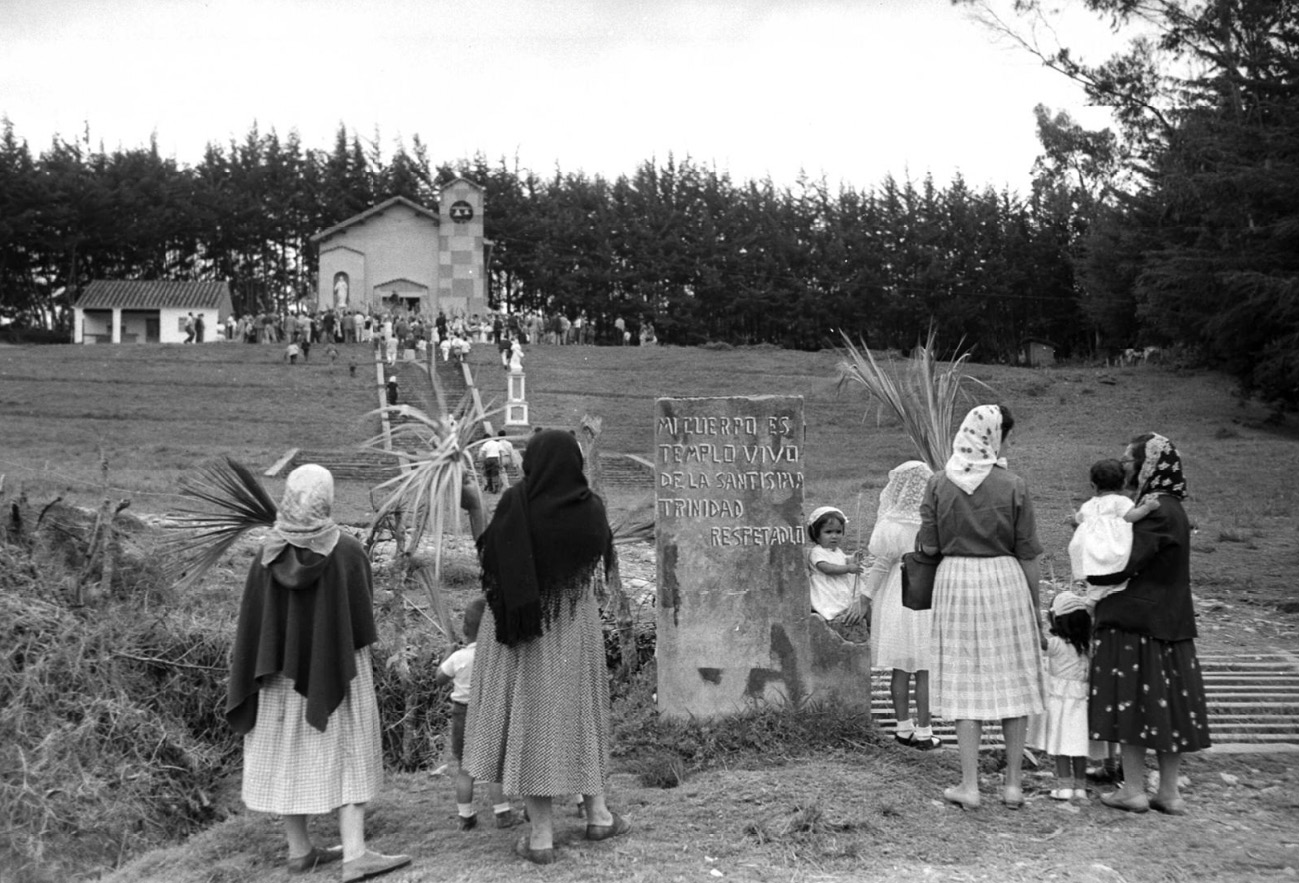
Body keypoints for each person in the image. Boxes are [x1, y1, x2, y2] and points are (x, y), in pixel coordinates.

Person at [225, 465, 410, 881]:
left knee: (285, 751)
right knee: (348, 749)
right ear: (328, 500)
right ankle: (355, 853)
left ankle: (300, 850)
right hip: (335, 667)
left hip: (276, 674)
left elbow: (254, 624)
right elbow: (361, 620)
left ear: (288, 498)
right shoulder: (345, 550)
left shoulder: (265, 552)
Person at [462, 430, 628, 865]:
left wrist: (475, 509)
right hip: (574, 627)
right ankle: (598, 815)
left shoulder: (516, 505)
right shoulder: (590, 509)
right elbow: (597, 569)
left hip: (523, 633)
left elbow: (490, 563)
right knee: (581, 715)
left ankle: (540, 836)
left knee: (531, 719)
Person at [919, 403, 1044, 811]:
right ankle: (1012, 785)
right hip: (1005, 581)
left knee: (964, 681)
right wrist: (1036, 611)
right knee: (1013, 679)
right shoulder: (1013, 485)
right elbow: (1028, 554)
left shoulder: (938, 484)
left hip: (956, 581)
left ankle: (969, 785)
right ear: (995, 437)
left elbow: (930, 546)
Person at [1089, 433, 1210, 815]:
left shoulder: (1154, 510)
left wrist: (1091, 577)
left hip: (1139, 622)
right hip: (1174, 622)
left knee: (1132, 703)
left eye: (1130, 459)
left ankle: (1134, 790)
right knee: (1169, 704)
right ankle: (1169, 792)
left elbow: (1125, 562)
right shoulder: (1173, 508)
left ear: (1149, 464)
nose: (1125, 465)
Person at [863, 461, 941, 750]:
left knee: (901, 666)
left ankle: (902, 727)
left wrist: (867, 595)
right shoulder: (933, 521)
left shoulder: (890, 523)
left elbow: (881, 563)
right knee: (924, 667)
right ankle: (925, 730)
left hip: (897, 593)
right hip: (925, 592)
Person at [435, 598, 522, 831]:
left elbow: (439, 679)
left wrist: (447, 653)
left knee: (465, 769)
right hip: (489, 712)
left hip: (462, 715)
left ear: (465, 629)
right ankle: (502, 813)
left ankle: (465, 816)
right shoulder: (497, 657)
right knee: (494, 765)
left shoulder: (459, 657)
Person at [1068, 458, 1161, 610]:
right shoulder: (1120, 501)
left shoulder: (1087, 505)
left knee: (1095, 589)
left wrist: (1073, 519)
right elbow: (1131, 516)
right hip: (1115, 564)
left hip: (1091, 566)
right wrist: (1147, 508)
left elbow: (1079, 521)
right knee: (1116, 585)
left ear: (1093, 485)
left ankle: (1092, 601)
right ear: (1124, 483)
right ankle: (1104, 600)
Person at [1036, 591, 1093, 800]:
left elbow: (1040, 643)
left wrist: (1035, 624)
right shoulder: (1087, 646)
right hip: (1081, 703)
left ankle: (1064, 785)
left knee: (1061, 745)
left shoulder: (1056, 644)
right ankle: (1080, 786)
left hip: (1060, 703)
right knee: (1078, 746)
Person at [804, 505, 868, 641]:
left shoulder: (837, 551)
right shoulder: (817, 552)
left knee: (848, 601)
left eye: (838, 532)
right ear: (816, 534)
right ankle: (834, 622)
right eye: (828, 532)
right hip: (827, 587)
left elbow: (842, 560)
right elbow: (827, 568)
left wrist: (853, 559)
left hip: (838, 585)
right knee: (832, 606)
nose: (834, 536)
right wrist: (848, 569)